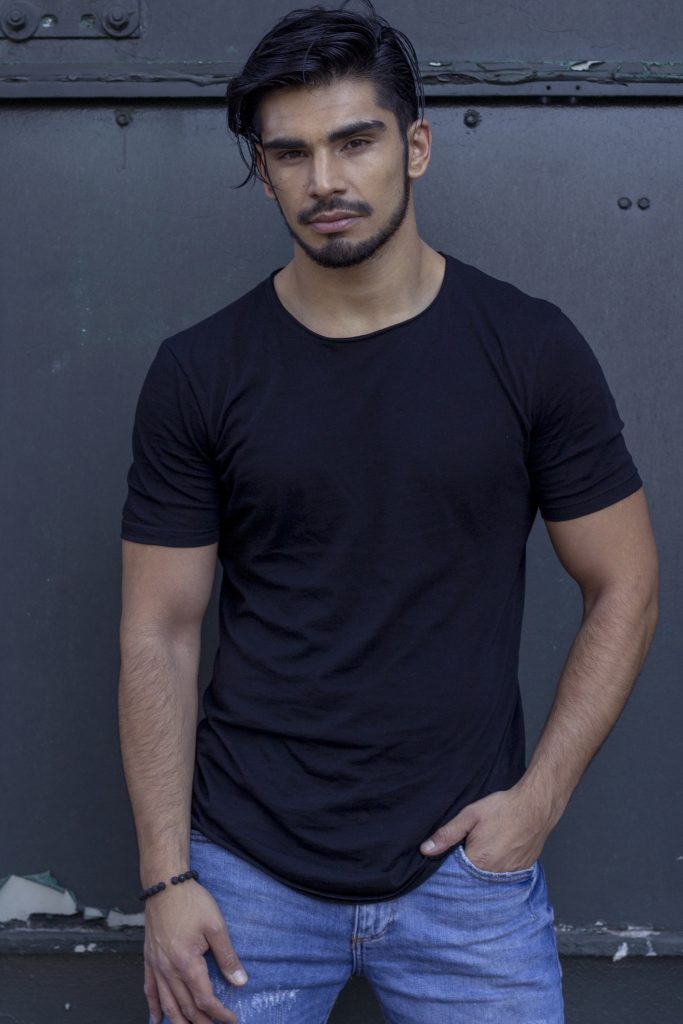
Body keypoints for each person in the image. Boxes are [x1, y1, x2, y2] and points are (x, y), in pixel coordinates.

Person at [118, 3, 659, 1023]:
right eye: (290, 153)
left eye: (353, 141)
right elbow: (160, 629)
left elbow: (624, 582)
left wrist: (536, 803)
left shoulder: (528, 348)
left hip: (468, 879)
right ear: (263, 170)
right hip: (242, 877)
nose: (323, 179)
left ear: (415, 147)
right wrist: (164, 878)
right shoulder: (200, 372)